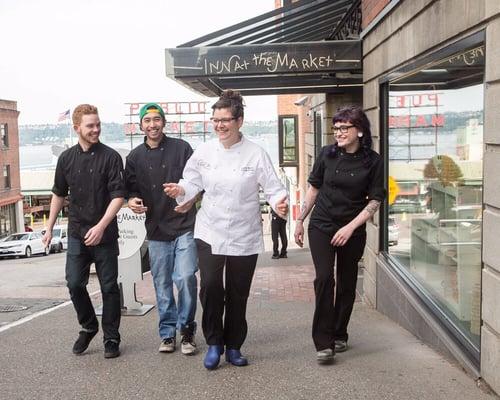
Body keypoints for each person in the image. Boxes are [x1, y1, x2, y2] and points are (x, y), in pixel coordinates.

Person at [164, 90, 288, 370]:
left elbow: (274, 188)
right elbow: (191, 181)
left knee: (237, 292)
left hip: (244, 233)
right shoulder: (205, 152)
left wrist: (280, 204)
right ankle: (214, 343)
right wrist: (180, 190)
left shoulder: (256, 154)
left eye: (225, 120)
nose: (220, 125)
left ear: (239, 121)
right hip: (209, 229)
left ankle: (233, 346)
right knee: (209, 287)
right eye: (215, 120)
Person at [294, 106, 385, 364]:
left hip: (352, 229)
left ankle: (339, 331)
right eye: (336, 128)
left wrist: (350, 227)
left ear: (360, 130)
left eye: (345, 128)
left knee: (346, 285)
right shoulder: (327, 154)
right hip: (322, 224)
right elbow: (313, 189)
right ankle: (324, 343)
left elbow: (375, 201)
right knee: (324, 278)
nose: (339, 133)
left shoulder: (373, 161)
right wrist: (300, 219)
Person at [42, 104, 126, 359]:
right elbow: (58, 194)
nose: (96, 129)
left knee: (109, 287)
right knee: (75, 283)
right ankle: (89, 326)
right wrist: (49, 229)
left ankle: (111, 338)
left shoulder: (111, 157)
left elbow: (118, 196)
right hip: (78, 233)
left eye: (98, 124)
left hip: (105, 234)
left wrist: (101, 226)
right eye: (90, 125)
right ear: (76, 127)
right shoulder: (66, 159)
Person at [125, 103, 198, 356]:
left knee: (186, 277)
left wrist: (186, 194)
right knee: (162, 284)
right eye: (147, 121)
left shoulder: (182, 149)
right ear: (141, 125)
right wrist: (132, 200)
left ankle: (187, 329)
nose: (152, 125)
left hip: (184, 225)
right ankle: (167, 333)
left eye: (157, 120)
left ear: (164, 123)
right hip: (155, 229)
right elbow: (130, 189)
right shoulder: (134, 157)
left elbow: (197, 181)